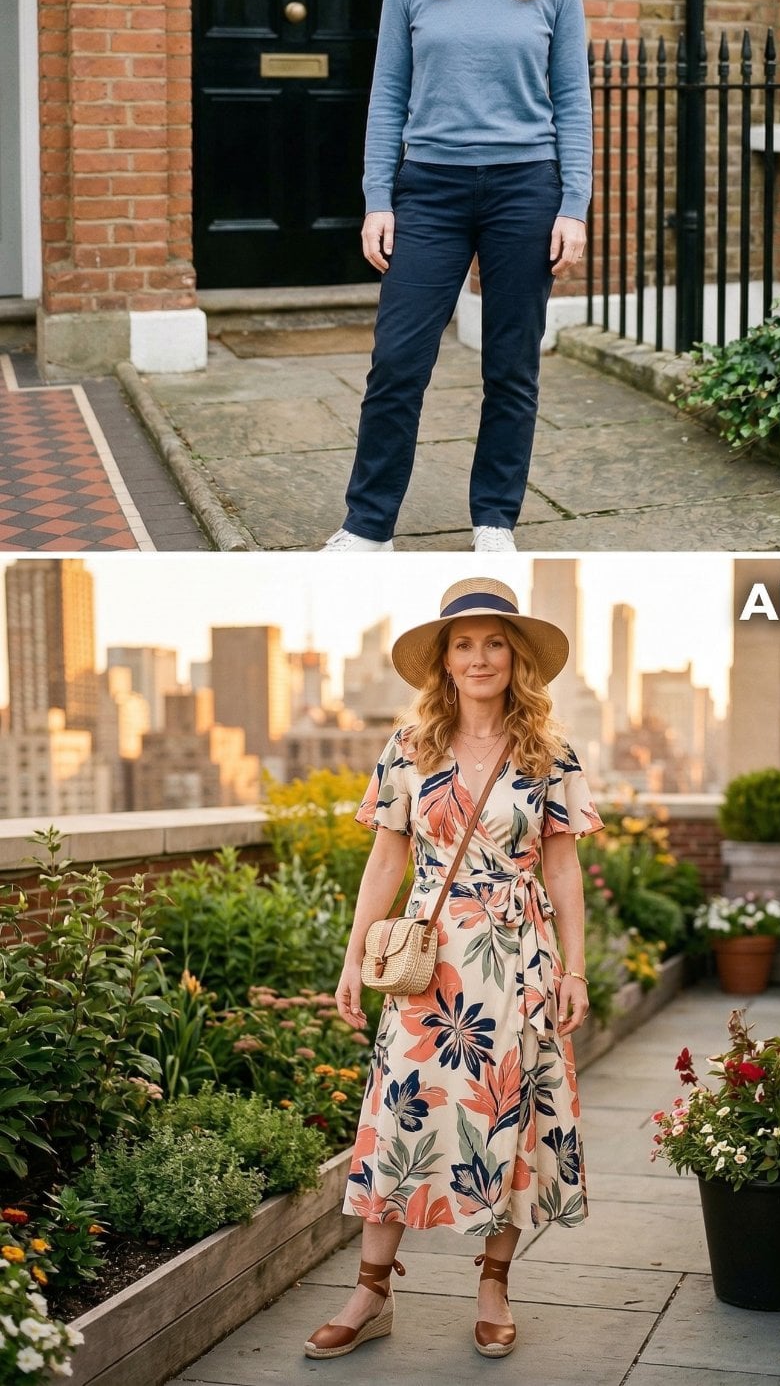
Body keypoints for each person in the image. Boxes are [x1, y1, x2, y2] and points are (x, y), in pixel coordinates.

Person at [304, 576, 603, 1362]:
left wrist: (574, 970)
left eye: (494, 643)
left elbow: (563, 869)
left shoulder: (551, 754)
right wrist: (353, 958)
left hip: (518, 963)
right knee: (398, 1113)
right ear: (443, 660)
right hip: (427, 967)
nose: (479, 658)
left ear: (516, 656)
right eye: (463, 644)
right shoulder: (409, 749)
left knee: (506, 1117)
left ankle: (494, 1286)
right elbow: (385, 861)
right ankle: (371, 1293)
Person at [322, 0, 592, 556]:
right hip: (430, 191)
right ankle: (367, 526)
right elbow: (387, 96)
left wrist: (573, 206)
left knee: (511, 365)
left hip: (524, 190)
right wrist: (379, 198)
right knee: (398, 362)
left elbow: (573, 101)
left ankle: (495, 520)